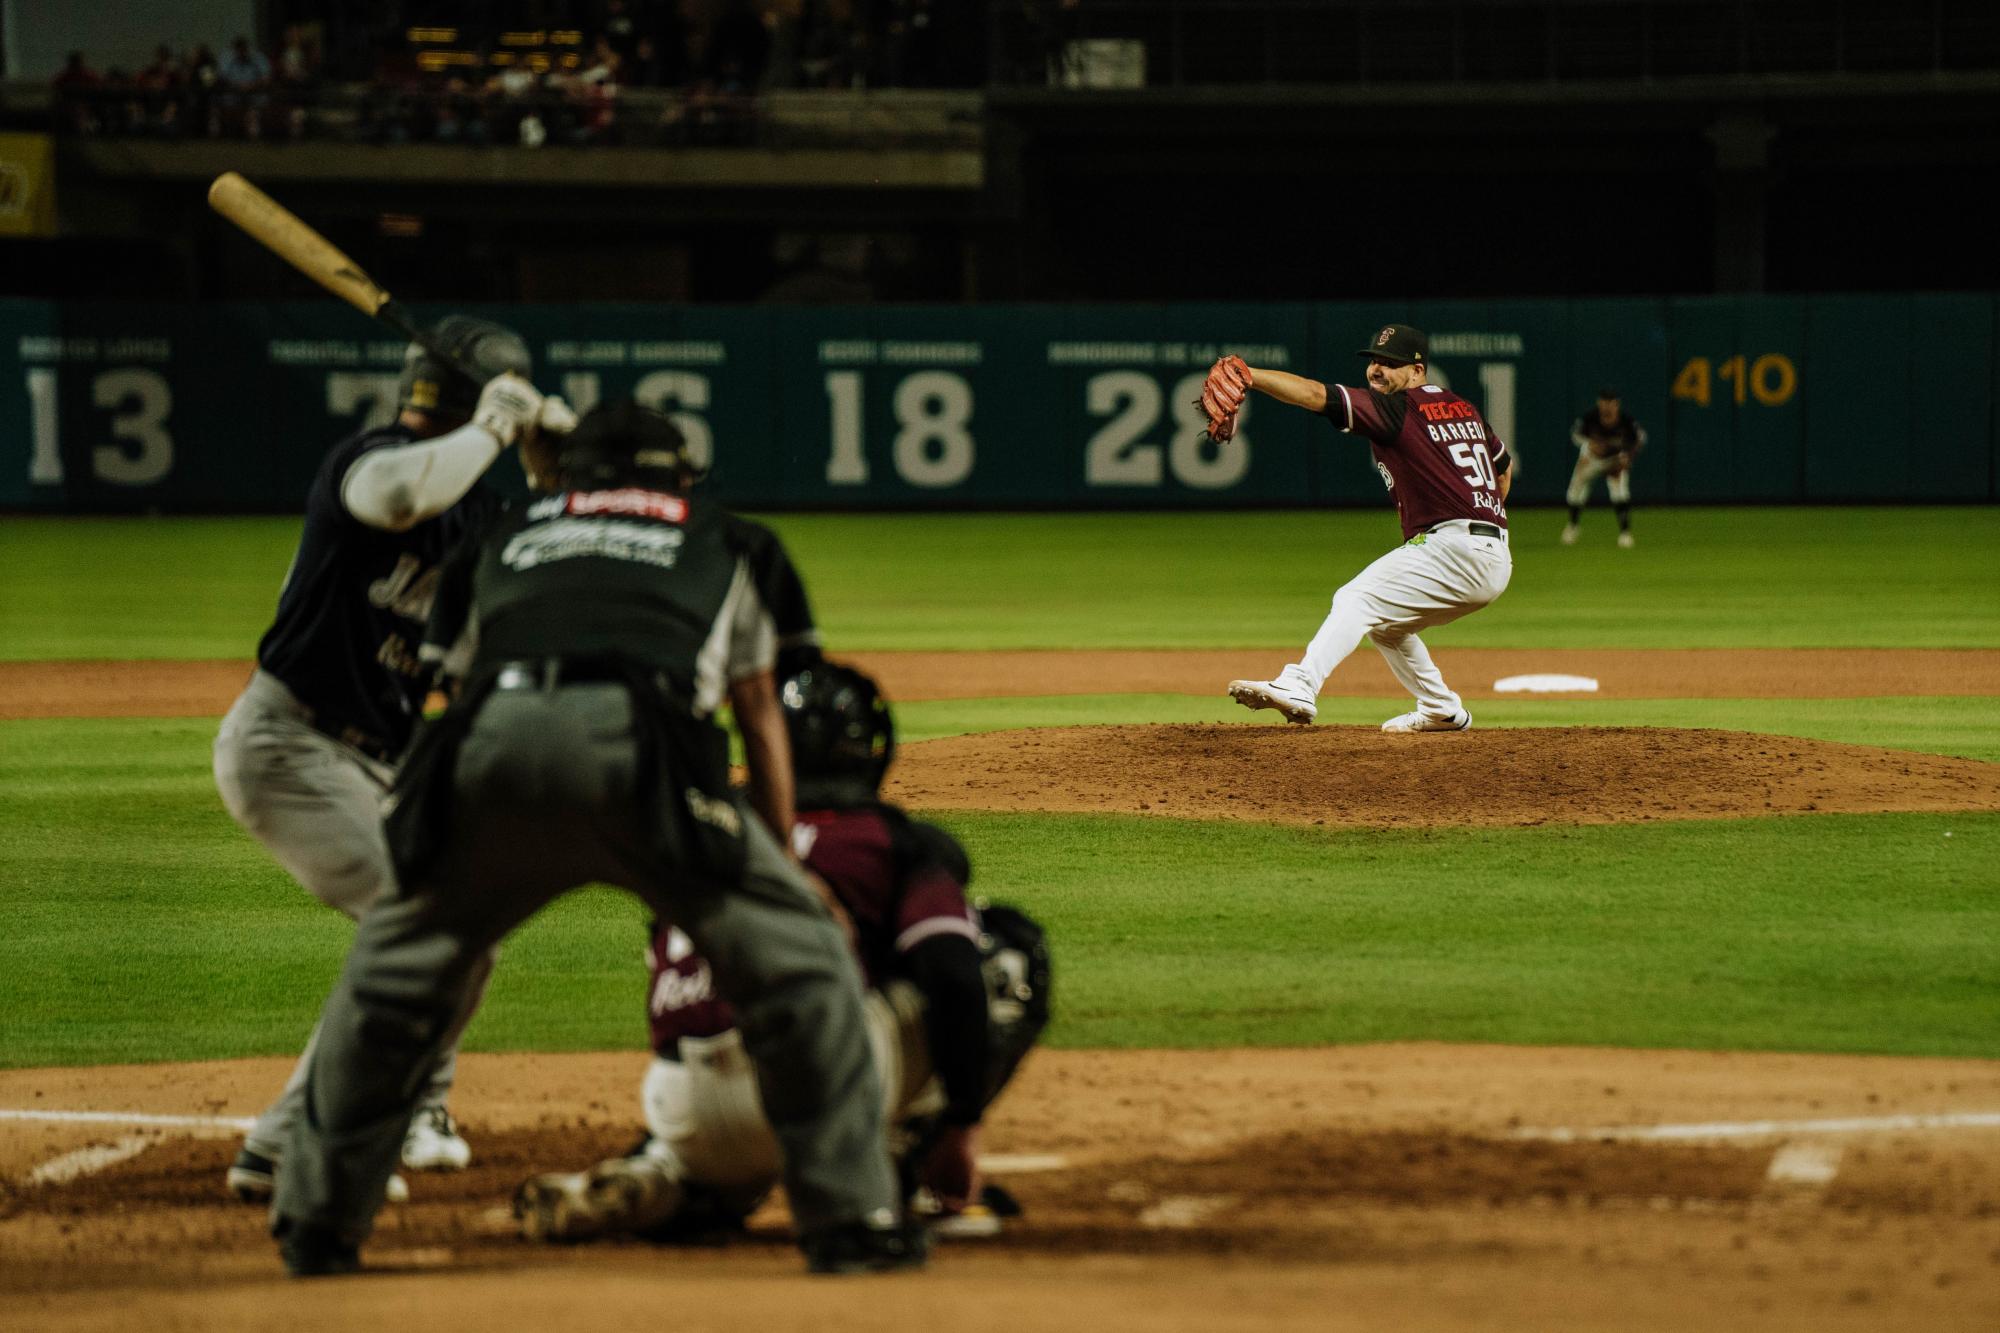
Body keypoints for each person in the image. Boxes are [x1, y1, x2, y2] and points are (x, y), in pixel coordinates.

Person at [269, 401, 923, 1278]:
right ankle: (850, 1220)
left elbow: (446, 702)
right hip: (640, 752)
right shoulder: (731, 537)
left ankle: (316, 1218)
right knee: (805, 966)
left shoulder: (501, 534)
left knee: (394, 977)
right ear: (676, 476)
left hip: (489, 745)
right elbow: (760, 713)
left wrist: (432, 858)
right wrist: (783, 868)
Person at [511, 659, 1051, 1245]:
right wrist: (962, 1126)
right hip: (810, 1080)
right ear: (869, 749)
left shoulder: (705, 833)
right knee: (1003, 955)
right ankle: (903, 1171)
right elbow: (951, 976)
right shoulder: (892, 843)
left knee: (728, 1126)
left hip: (684, 1103)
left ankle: (658, 1172)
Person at [215, 317, 560, 1205]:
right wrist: (490, 430)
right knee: (418, 920)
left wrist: (550, 473)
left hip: (380, 762)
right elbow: (403, 500)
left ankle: (415, 1109)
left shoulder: (478, 511)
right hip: (290, 744)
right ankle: (291, 1144)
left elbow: (497, 636)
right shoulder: (365, 465)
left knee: (459, 928)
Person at [1206, 324, 1513, 732]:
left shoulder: (1399, 408)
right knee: (1387, 627)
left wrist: (1250, 375)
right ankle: (1441, 709)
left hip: (1454, 549)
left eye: (1391, 363)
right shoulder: (1463, 408)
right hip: (1491, 554)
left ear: (1418, 372)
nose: (1376, 370)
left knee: (1356, 598)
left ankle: (1301, 683)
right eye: (1374, 361)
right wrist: (1480, 515)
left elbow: (1318, 396)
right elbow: (1502, 470)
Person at [1562, 386, 1646, 548]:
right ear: (1599, 403)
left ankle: (1625, 533)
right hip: (1591, 458)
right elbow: (1576, 434)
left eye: (1611, 403)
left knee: (1620, 492)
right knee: (1575, 490)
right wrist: (1588, 444)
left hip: (1615, 459)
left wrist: (1628, 457)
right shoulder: (1590, 418)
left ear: (1617, 405)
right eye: (1604, 403)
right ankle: (1573, 526)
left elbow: (1640, 439)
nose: (1607, 406)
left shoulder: (1626, 421)